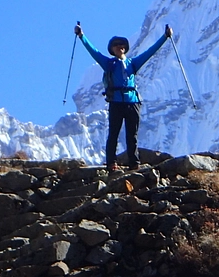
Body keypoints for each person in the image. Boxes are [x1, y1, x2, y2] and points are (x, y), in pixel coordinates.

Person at [74, 23, 173, 171]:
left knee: (132, 135)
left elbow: (150, 52)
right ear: (112, 49)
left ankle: (134, 164)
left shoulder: (133, 63)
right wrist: (82, 36)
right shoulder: (108, 63)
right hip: (116, 102)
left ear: (125, 47)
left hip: (133, 102)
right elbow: (93, 51)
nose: (119, 47)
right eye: (116, 45)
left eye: (122, 45)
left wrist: (165, 37)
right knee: (113, 133)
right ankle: (111, 163)